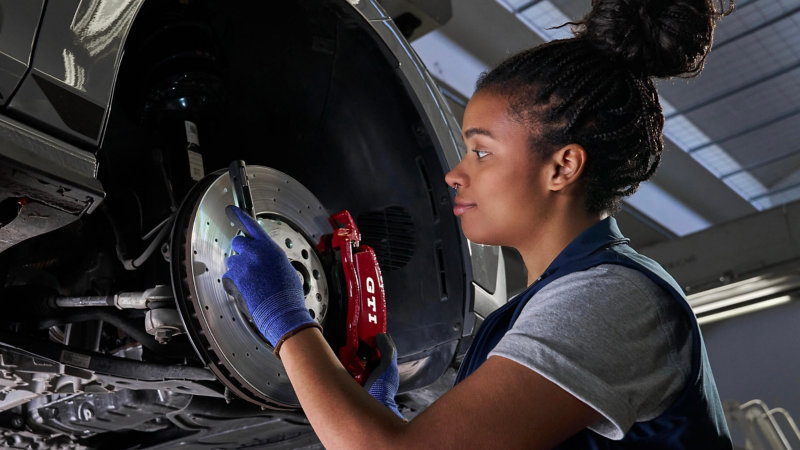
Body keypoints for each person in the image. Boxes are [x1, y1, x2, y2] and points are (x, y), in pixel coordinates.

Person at [222, 0, 735, 447]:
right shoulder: (548, 305)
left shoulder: (610, 300)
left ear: (562, 167)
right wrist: (395, 423)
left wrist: (286, 317)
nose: (454, 173)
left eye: (482, 152)